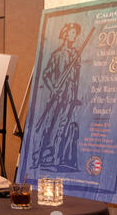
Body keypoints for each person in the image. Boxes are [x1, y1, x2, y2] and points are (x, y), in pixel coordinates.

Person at [31, 23, 82, 172]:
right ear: (65, 34)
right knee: (47, 128)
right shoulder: (57, 54)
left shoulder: (75, 54)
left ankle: (56, 160)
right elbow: (46, 74)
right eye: (72, 33)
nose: (74, 36)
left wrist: (75, 95)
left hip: (69, 97)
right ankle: (37, 159)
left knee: (62, 129)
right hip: (56, 97)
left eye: (75, 34)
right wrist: (53, 88)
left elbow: (76, 78)